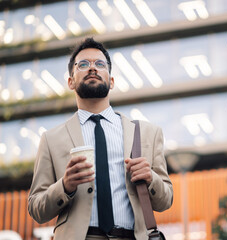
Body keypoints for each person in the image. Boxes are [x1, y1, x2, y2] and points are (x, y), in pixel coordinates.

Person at [28, 37, 173, 240]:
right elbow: (36, 208)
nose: (92, 68)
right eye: (83, 65)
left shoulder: (148, 133)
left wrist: (150, 177)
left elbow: (165, 201)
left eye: (100, 64)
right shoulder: (50, 139)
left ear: (111, 81)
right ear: (71, 81)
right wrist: (65, 186)